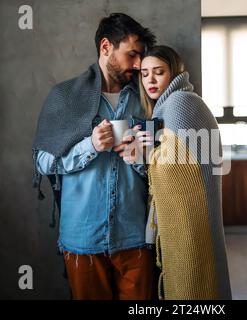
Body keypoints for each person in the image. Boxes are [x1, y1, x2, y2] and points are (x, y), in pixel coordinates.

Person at [32, 13, 156, 300]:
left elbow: (161, 167)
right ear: (105, 47)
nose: (139, 65)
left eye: (142, 56)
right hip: (82, 239)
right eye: (132, 54)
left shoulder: (145, 99)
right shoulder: (64, 97)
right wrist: (90, 146)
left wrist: (139, 157)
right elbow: (42, 162)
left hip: (135, 236)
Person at [122, 45, 232, 300]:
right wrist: (142, 154)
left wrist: (145, 153)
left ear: (174, 73)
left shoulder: (181, 103)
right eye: (145, 73)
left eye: (158, 72)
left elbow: (180, 165)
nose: (150, 79)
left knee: (193, 281)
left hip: (192, 217)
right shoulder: (165, 107)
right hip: (191, 212)